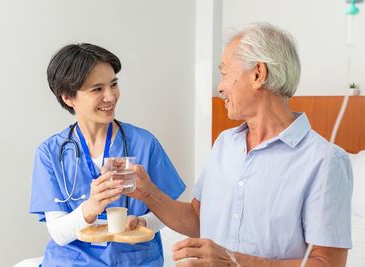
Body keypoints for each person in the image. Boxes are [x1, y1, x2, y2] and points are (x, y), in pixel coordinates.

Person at [127, 23, 353, 266]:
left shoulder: (325, 161)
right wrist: (148, 193)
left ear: (258, 74)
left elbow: (327, 263)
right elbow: (197, 219)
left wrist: (234, 262)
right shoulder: (225, 143)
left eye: (224, 73)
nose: (220, 86)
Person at [29, 43, 186, 266]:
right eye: (97, 89)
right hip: (72, 261)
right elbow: (58, 233)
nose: (110, 96)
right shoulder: (51, 153)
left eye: (113, 85)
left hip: (133, 259)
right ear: (68, 97)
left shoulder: (143, 144)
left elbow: (167, 212)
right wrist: (91, 208)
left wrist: (142, 222)